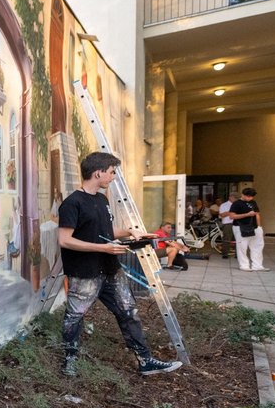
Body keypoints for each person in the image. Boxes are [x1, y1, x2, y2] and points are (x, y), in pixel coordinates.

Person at [58, 152, 183, 377]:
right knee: (74, 317)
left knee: (129, 312)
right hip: (85, 273)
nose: (114, 176)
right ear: (98, 173)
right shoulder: (72, 203)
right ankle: (70, 362)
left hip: (111, 269)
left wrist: (131, 232)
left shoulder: (101, 200)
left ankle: (145, 361)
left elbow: (105, 231)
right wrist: (102, 248)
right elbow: (65, 240)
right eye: (112, 172)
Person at [229, 187, 269, 272]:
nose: (250, 198)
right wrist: (247, 214)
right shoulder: (236, 203)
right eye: (248, 196)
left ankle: (257, 265)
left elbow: (257, 214)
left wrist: (259, 227)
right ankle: (244, 265)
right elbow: (232, 216)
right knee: (242, 247)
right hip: (240, 227)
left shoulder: (253, 202)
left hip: (255, 227)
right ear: (243, 194)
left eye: (251, 197)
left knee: (258, 246)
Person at [218, 192, 238, 259]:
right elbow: (222, 215)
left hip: (237, 223)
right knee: (226, 239)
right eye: (234, 197)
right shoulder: (224, 205)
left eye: (236, 198)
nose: (235, 199)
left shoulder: (238, 204)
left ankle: (237, 254)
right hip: (228, 224)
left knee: (238, 239)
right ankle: (225, 254)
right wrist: (231, 212)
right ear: (230, 197)